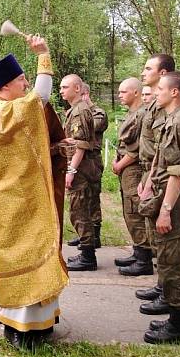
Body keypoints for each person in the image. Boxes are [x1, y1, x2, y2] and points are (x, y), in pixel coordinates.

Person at [0, 35, 68, 350]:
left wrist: (55, 147)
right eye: (21, 80)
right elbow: (40, 98)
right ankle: (21, 326)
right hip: (15, 197)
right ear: (4, 86)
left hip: (22, 192)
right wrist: (43, 54)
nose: (26, 83)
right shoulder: (2, 109)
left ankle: (42, 321)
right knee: (24, 253)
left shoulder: (1, 102)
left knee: (37, 247)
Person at [140, 71, 180, 343]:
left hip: (176, 200)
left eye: (161, 89)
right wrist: (152, 182)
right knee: (166, 257)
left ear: (175, 92)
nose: (156, 92)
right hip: (170, 194)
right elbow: (162, 161)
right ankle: (175, 316)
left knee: (174, 261)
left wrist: (165, 210)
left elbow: (178, 173)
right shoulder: (174, 119)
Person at [134, 54, 175, 312]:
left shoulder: (167, 108)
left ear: (163, 73)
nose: (143, 72)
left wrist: (150, 179)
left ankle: (170, 294)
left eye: (148, 68)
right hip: (151, 173)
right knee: (156, 238)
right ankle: (162, 286)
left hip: (162, 176)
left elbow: (163, 149)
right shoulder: (153, 105)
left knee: (168, 242)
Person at [60, 74, 102, 270]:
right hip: (82, 167)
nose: (61, 91)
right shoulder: (75, 110)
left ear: (77, 89)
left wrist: (71, 170)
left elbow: (82, 146)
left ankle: (88, 256)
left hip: (81, 169)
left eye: (65, 87)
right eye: (60, 87)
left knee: (79, 210)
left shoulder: (79, 111)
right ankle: (86, 251)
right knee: (79, 209)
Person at [112, 77, 152, 276]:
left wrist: (120, 164)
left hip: (134, 169)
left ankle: (144, 259)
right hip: (126, 168)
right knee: (129, 210)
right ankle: (138, 252)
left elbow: (137, 150)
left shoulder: (142, 115)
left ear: (136, 92)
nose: (119, 95)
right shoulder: (132, 114)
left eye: (123, 92)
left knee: (135, 211)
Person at [79, 82, 108, 249]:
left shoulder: (98, 113)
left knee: (92, 198)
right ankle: (85, 235)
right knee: (81, 199)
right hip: (80, 159)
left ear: (86, 94)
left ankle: (95, 236)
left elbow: (89, 129)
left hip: (92, 160)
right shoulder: (77, 113)